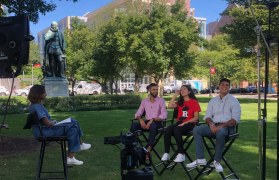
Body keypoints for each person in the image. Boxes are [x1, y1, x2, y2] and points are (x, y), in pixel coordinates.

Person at [186, 78, 241, 172]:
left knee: (220, 132)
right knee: (197, 129)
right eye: (222, 84)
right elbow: (207, 116)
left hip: (228, 128)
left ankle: (216, 161)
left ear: (229, 87)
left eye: (227, 85)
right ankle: (200, 159)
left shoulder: (234, 101)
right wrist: (211, 125)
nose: (224, 86)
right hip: (213, 126)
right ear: (219, 86)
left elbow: (235, 120)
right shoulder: (213, 101)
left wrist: (221, 126)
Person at [27, 84, 91, 165]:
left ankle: (71, 157)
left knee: (73, 130)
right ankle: (79, 146)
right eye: (44, 92)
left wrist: (53, 122)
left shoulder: (33, 106)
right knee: (73, 121)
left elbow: (44, 121)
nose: (46, 94)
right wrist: (54, 122)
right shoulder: (37, 106)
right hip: (45, 132)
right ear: (38, 94)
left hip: (42, 131)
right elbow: (47, 123)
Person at [161, 85, 201, 163]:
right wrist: (175, 95)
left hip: (190, 124)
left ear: (189, 92)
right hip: (180, 124)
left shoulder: (194, 102)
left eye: (184, 89)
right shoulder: (180, 103)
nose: (182, 91)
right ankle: (166, 153)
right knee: (168, 129)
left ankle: (181, 153)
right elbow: (169, 106)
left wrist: (185, 122)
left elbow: (196, 117)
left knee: (177, 128)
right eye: (181, 89)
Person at [130, 83, 167, 159]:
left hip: (158, 123)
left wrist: (153, 120)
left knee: (153, 125)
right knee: (134, 125)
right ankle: (134, 147)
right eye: (153, 89)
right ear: (149, 90)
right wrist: (140, 120)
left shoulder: (161, 100)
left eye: (157, 89)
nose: (155, 91)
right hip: (147, 122)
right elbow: (138, 112)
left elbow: (164, 115)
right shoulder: (144, 101)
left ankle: (148, 150)